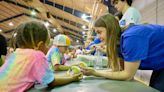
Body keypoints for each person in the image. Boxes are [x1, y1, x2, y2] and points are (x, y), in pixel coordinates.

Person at [82, 13, 164, 91]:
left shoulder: (131, 38)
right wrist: (93, 72)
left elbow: (127, 75)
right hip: (160, 64)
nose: (98, 37)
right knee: (155, 87)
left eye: (99, 32)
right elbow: (117, 70)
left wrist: (96, 73)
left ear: (110, 29)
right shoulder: (119, 44)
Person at [0, 21, 82, 92]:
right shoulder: (37, 55)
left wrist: (65, 76)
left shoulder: (15, 54)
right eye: (47, 44)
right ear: (39, 45)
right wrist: (72, 78)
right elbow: (51, 82)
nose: (48, 48)